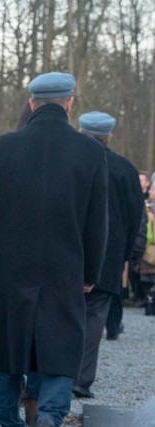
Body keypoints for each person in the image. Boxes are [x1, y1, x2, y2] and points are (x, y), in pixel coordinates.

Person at [0, 73, 108, 427]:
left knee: (9, 341)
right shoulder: (90, 152)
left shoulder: (2, 147)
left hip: (12, 266)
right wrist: (90, 274)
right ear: (69, 103)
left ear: (32, 103)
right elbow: (96, 222)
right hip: (65, 265)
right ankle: (50, 413)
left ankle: (9, 424)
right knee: (62, 339)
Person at [70, 112, 144, 396]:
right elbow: (136, 216)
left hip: (71, 251)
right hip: (108, 256)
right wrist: (126, 255)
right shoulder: (124, 168)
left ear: (80, 131)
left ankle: (56, 374)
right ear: (109, 137)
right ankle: (81, 378)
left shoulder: (69, 161)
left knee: (62, 313)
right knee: (94, 316)